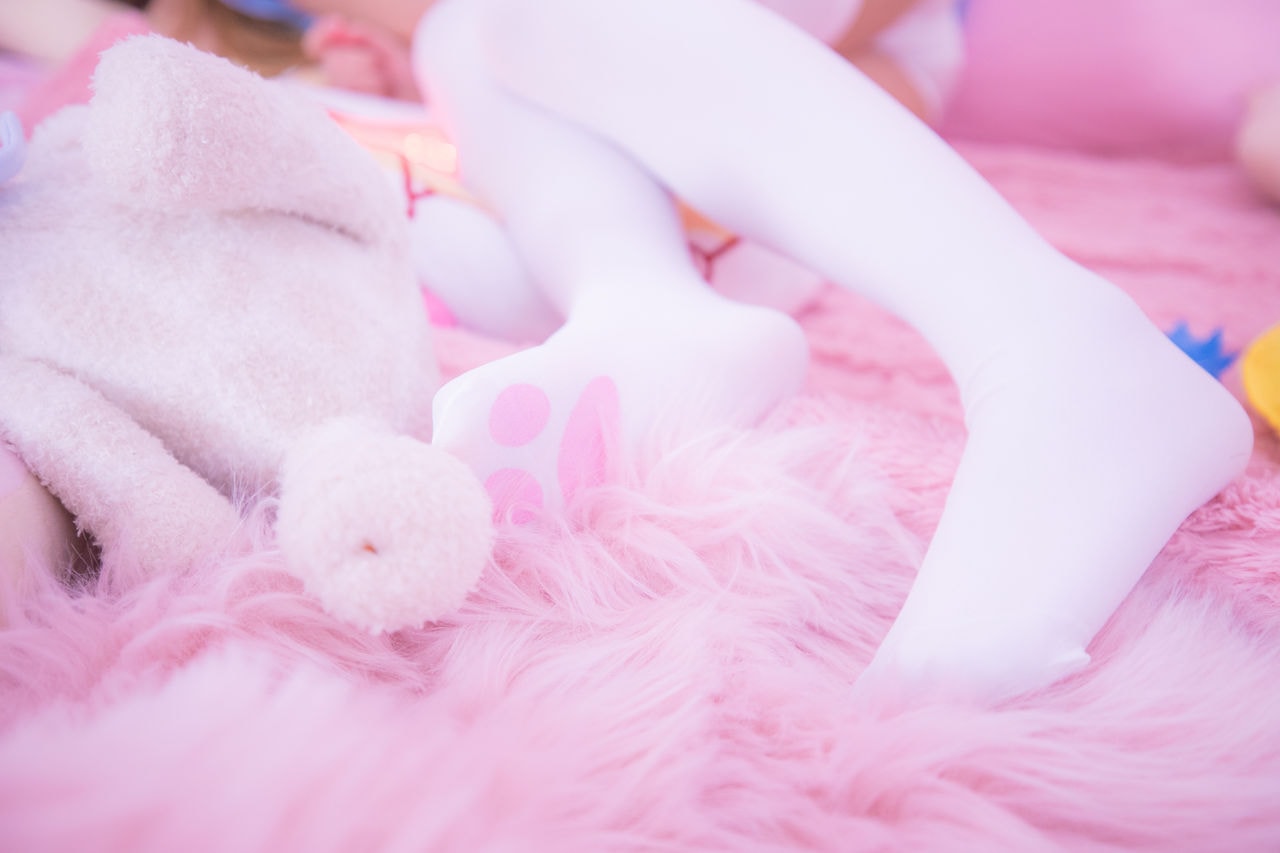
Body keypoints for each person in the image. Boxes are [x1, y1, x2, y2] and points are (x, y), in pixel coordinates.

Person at [403, 0, 1252, 703]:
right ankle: (645, 301)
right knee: (463, 26)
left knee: (534, 12)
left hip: (801, 135)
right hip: (687, 174)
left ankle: (1051, 336)